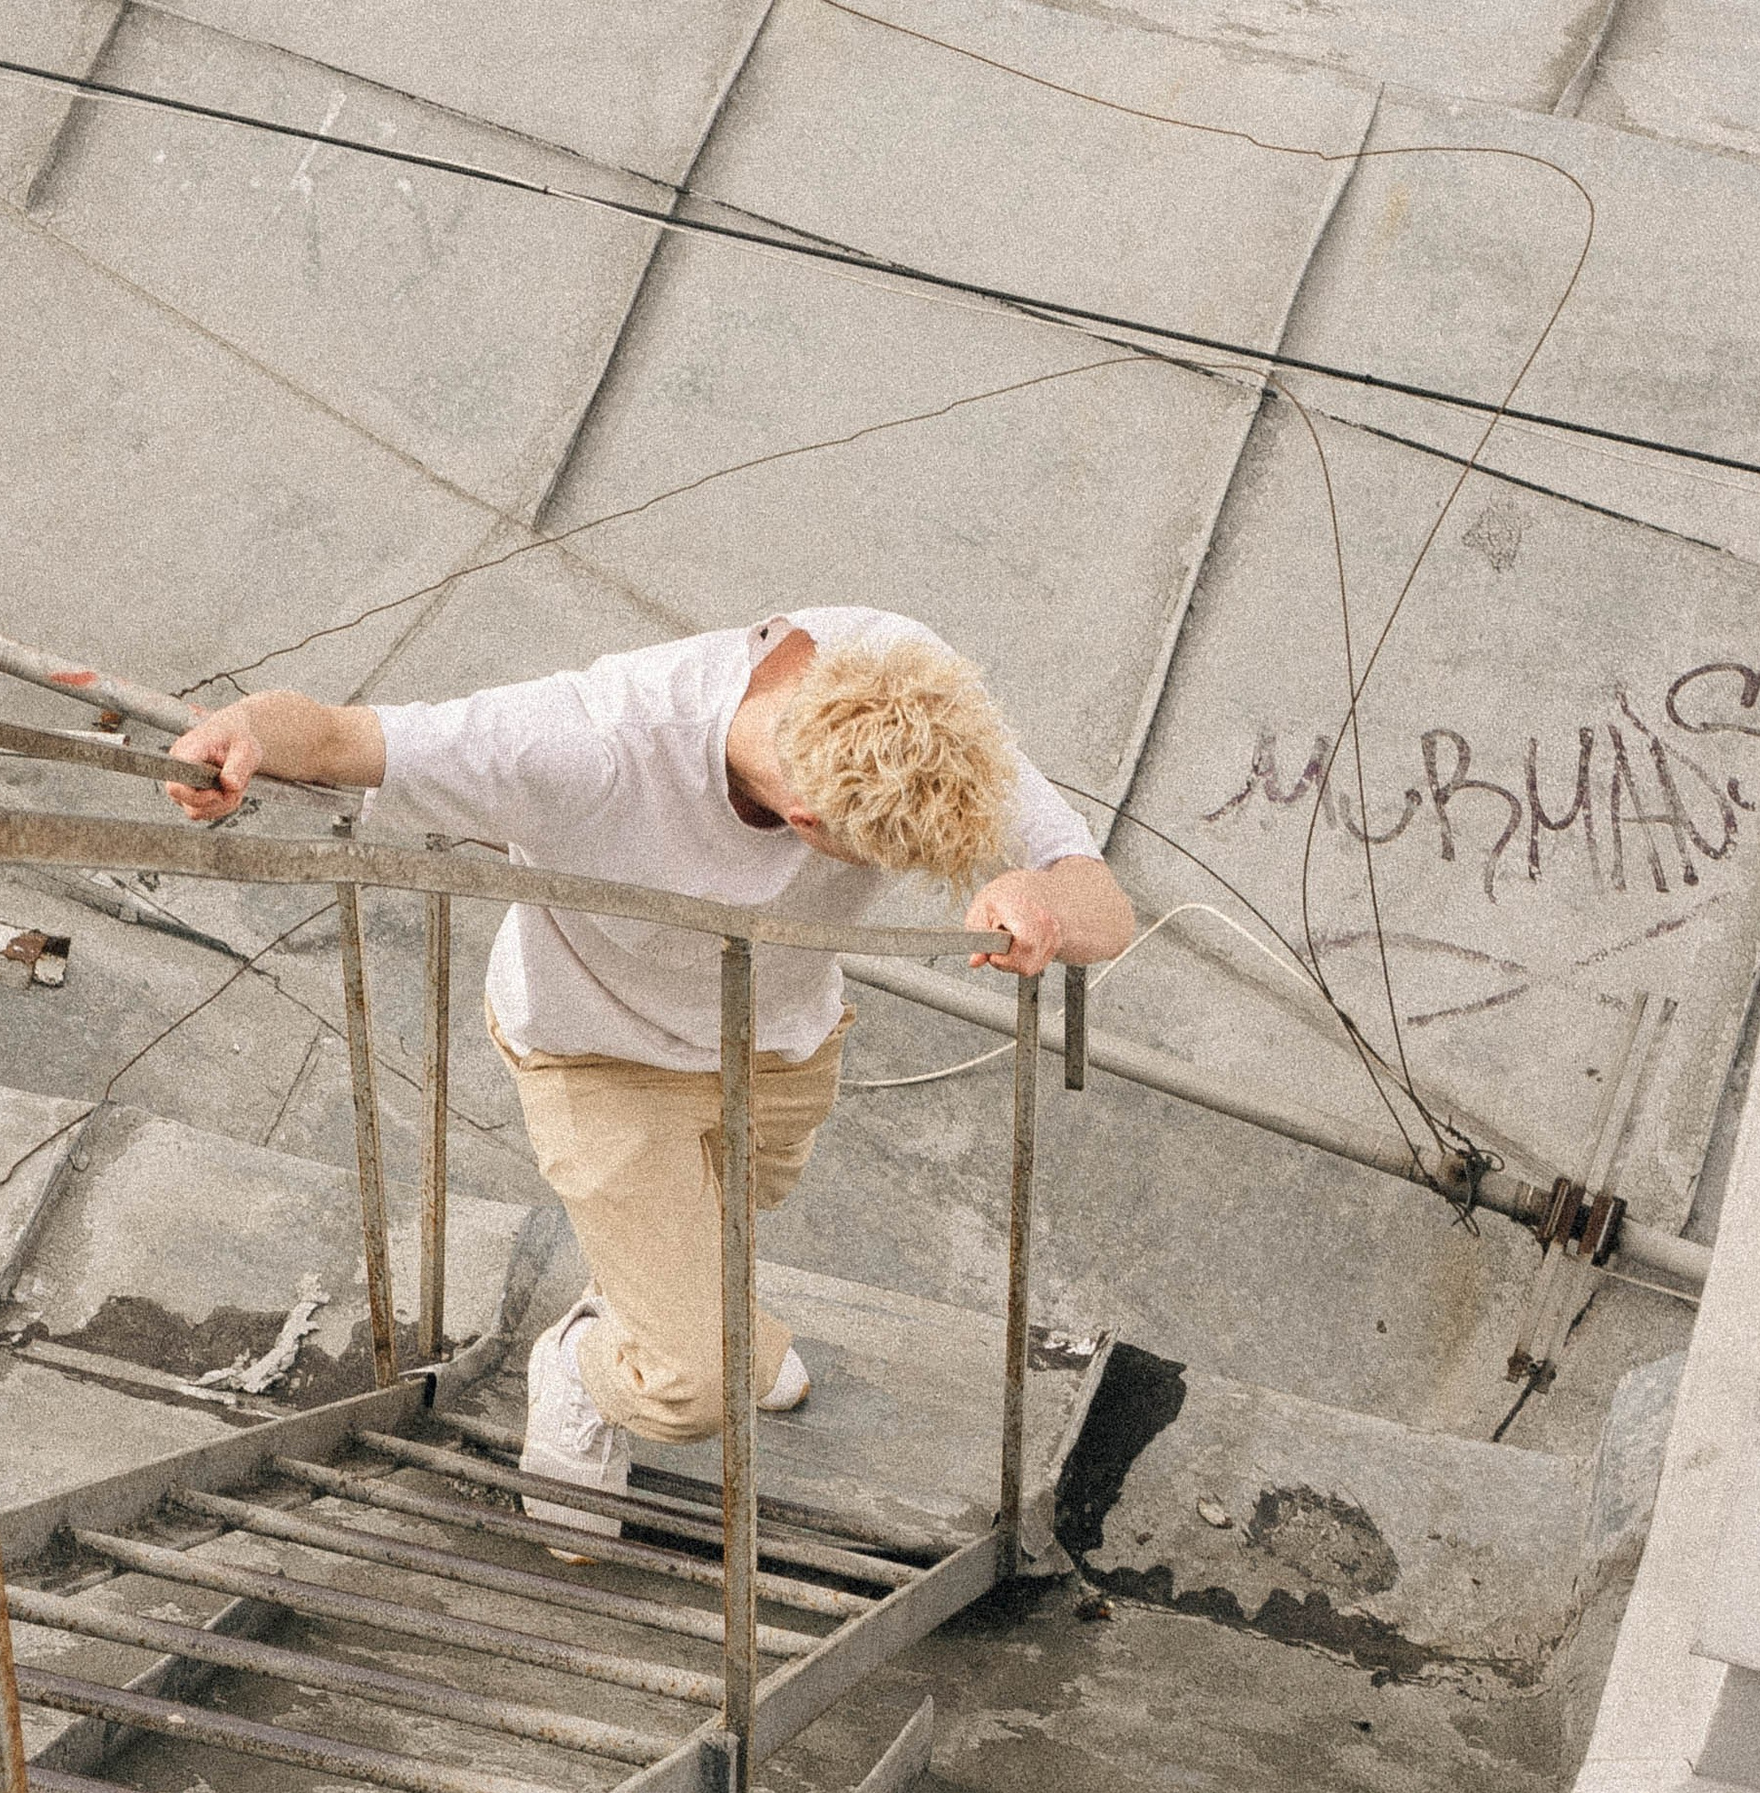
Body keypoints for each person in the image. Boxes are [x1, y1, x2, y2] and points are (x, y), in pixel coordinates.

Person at [164, 608, 1133, 1534]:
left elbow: (1102, 904)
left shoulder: (896, 680)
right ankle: (586, 1366)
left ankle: (664, 1314)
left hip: (780, 1039)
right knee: (697, 1384)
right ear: (801, 818)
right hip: (600, 1053)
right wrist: (242, 729)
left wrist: (1037, 894)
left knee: (725, 1227)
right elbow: (333, 741)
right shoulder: (580, 746)